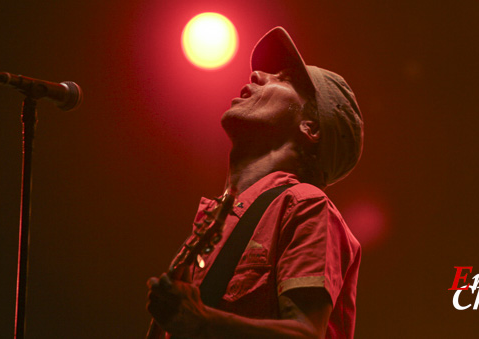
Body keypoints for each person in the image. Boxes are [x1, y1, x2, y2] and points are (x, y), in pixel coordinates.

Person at [146, 27, 364, 339]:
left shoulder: (305, 205)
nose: (259, 74)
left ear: (310, 128)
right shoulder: (212, 227)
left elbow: (305, 335)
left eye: (285, 78)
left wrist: (201, 322)